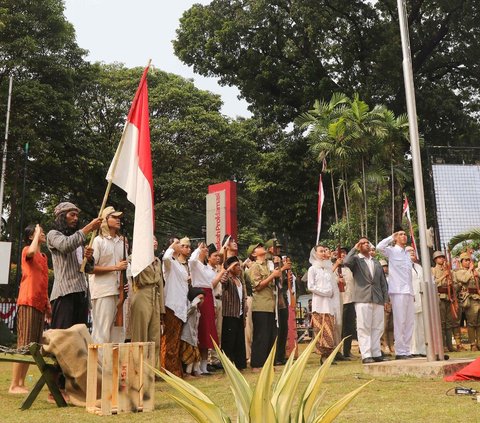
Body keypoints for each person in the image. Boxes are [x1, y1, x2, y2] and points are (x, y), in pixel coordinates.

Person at [9, 224, 51, 394]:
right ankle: (14, 384)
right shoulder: (28, 249)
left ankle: (21, 382)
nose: (42, 234)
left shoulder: (44, 256)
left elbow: (44, 281)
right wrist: (35, 236)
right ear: (30, 237)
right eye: (38, 232)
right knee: (24, 343)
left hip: (39, 304)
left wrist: (47, 304)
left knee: (32, 346)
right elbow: (31, 253)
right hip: (28, 301)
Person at [47, 202, 102, 329]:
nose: (76, 218)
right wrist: (89, 228)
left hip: (81, 293)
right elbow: (66, 245)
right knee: (62, 337)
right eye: (72, 215)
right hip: (64, 294)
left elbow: (88, 268)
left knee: (78, 337)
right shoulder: (53, 235)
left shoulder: (78, 240)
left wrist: (88, 258)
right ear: (62, 216)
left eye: (77, 215)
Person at [344, 238, 388, 363]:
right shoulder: (357, 260)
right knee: (364, 327)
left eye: (367, 242)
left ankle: (376, 353)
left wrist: (385, 299)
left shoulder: (376, 261)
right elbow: (346, 262)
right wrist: (354, 248)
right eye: (363, 243)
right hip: (362, 298)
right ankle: (366, 354)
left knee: (377, 327)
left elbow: (382, 282)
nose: (366, 244)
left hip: (377, 297)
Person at [89, 206, 128, 344]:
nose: (118, 220)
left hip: (120, 292)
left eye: (119, 217)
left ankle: (111, 365)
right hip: (103, 291)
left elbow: (125, 268)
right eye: (114, 217)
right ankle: (97, 365)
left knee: (117, 335)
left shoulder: (122, 242)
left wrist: (126, 283)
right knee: (101, 333)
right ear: (105, 220)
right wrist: (115, 268)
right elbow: (90, 268)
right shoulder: (98, 241)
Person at [377, 230, 414, 359]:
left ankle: (407, 350)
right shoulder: (392, 251)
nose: (404, 236)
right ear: (396, 237)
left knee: (409, 322)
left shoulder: (406, 254)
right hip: (398, 291)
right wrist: (391, 237)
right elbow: (379, 247)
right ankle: (400, 351)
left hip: (408, 291)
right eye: (400, 234)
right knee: (400, 321)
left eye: (404, 234)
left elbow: (408, 275)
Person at [129, 235, 165, 368]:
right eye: (152, 239)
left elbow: (160, 283)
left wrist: (161, 308)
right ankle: (138, 368)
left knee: (155, 335)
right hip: (141, 293)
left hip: (154, 295)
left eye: (155, 239)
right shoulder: (136, 258)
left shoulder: (157, 261)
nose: (155, 242)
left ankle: (153, 369)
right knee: (140, 333)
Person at [189, 242, 223, 374]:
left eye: (205, 249)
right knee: (199, 331)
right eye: (204, 249)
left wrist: (214, 305)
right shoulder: (195, 265)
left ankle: (204, 365)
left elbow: (211, 286)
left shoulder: (208, 269)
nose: (205, 251)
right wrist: (198, 249)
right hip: (200, 295)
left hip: (209, 296)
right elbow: (192, 259)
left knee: (208, 333)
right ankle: (196, 366)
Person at [249, 243, 282, 371]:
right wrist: (272, 276)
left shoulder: (268, 266)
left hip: (271, 305)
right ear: (254, 254)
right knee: (260, 336)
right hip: (261, 305)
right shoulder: (255, 267)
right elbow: (257, 286)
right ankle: (257, 364)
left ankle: (268, 364)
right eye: (258, 247)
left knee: (270, 335)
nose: (262, 248)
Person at [161, 237, 189, 377]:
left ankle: (175, 370)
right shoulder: (169, 263)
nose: (180, 245)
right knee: (170, 339)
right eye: (177, 243)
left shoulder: (178, 264)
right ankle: (167, 370)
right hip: (171, 305)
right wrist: (173, 246)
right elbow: (165, 257)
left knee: (176, 340)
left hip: (180, 305)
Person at [307, 244, 338, 364]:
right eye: (321, 251)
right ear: (315, 254)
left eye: (325, 251)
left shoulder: (328, 269)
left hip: (329, 304)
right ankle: (323, 356)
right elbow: (310, 286)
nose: (324, 253)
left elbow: (332, 286)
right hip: (319, 304)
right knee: (321, 331)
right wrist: (325, 292)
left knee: (330, 330)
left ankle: (329, 355)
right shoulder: (312, 269)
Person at [220, 256, 247, 369]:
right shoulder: (229, 280)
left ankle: (240, 364)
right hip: (230, 314)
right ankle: (228, 366)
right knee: (229, 342)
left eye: (239, 265)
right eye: (236, 266)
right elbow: (223, 281)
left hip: (239, 314)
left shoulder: (239, 280)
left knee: (239, 340)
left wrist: (244, 314)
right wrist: (227, 270)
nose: (239, 268)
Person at [432, 251, 459, 352]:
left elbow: (457, 285)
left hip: (449, 298)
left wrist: (451, 284)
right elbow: (433, 283)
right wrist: (444, 276)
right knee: (441, 323)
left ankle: (450, 345)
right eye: (439, 257)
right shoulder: (433, 270)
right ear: (435, 259)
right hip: (440, 297)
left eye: (442, 257)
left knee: (449, 323)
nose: (442, 259)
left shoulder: (449, 271)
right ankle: (442, 345)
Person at [453, 252, 480, 351]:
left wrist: (477, 274)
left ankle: (479, 343)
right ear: (461, 262)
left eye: (469, 260)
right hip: (469, 298)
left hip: (477, 297)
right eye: (466, 260)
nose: (468, 262)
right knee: (472, 323)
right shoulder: (460, 272)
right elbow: (464, 279)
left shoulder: (475, 271)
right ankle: (473, 344)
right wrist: (470, 270)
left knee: (479, 322)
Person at [335, 248, 356, 359]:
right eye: (340, 253)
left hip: (350, 300)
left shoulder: (349, 268)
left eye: (344, 253)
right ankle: (337, 351)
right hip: (339, 302)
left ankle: (347, 351)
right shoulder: (333, 269)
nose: (342, 255)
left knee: (349, 327)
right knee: (339, 327)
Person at [180, 287, 204, 378]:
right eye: (199, 298)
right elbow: (190, 310)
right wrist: (195, 302)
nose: (201, 301)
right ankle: (187, 373)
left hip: (193, 337)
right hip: (187, 336)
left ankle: (195, 371)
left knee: (196, 355)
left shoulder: (198, 311)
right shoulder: (192, 308)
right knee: (189, 356)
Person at [406, 246, 426, 356]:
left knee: (422, 326)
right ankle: (412, 350)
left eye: (413, 251)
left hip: (421, 298)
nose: (412, 252)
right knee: (412, 326)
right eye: (409, 251)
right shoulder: (403, 266)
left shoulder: (419, 267)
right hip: (410, 299)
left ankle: (422, 349)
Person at [379, 260, 394, 355]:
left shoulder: (391, 277)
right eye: (383, 266)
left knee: (391, 325)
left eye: (386, 266)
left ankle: (391, 343)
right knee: (384, 325)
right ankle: (384, 344)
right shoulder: (379, 278)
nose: (385, 268)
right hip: (383, 302)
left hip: (392, 301)